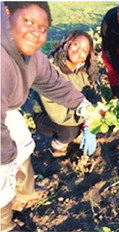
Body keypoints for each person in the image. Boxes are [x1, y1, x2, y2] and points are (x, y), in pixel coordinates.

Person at [0, 2, 95, 231]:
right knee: (3, 169)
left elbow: (53, 82)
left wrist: (82, 105)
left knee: (23, 142)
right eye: (29, 22)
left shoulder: (31, 54)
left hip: (7, 107)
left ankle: (24, 193)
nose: (36, 32)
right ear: (7, 14)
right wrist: (6, 156)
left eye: (43, 28)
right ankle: (5, 223)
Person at [34, 30, 99, 157]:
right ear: (67, 44)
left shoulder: (82, 72)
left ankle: (77, 134)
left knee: (92, 124)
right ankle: (58, 144)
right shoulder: (51, 70)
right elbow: (58, 114)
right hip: (45, 113)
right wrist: (87, 124)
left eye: (85, 51)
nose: (79, 51)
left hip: (72, 112)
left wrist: (91, 121)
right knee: (69, 132)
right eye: (76, 45)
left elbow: (92, 96)